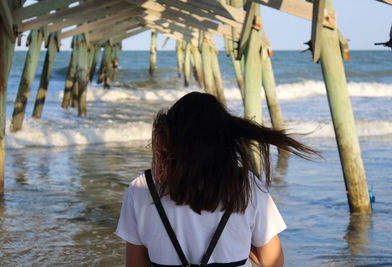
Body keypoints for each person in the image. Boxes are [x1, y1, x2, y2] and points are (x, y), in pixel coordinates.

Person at [116, 92, 318, 267]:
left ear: (169, 135)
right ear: (223, 136)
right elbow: (272, 261)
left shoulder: (143, 188)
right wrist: (243, 243)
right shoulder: (245, 184)